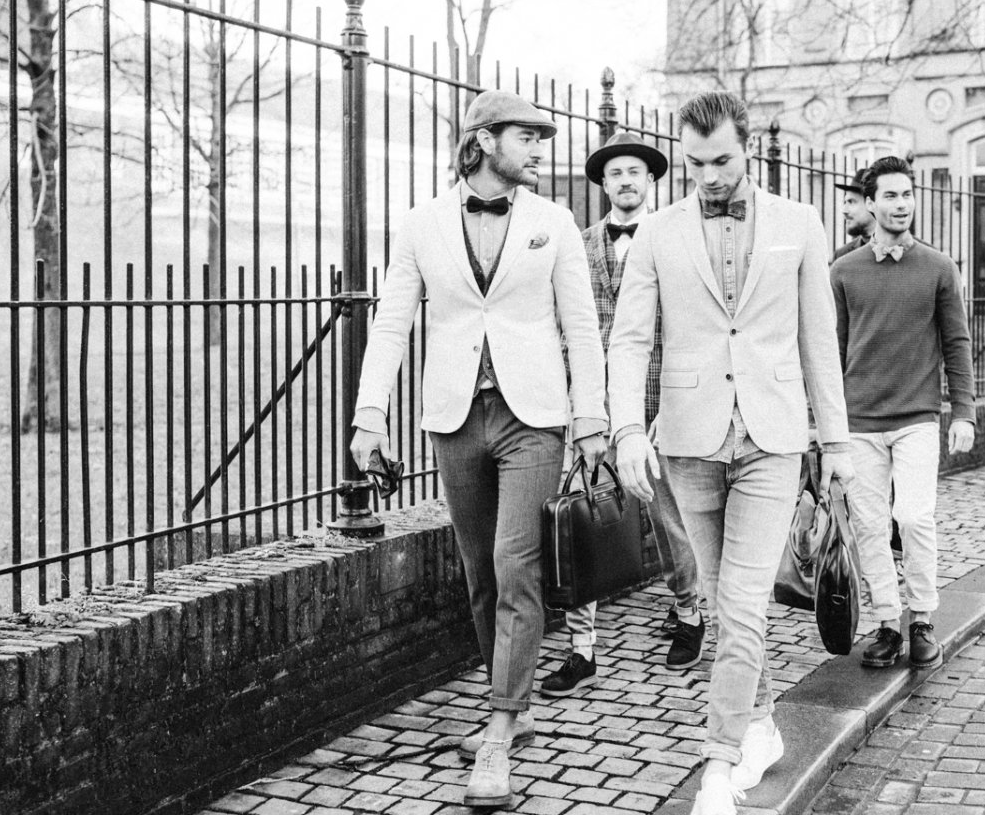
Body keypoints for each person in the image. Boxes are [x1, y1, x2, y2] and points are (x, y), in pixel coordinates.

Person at [348, 90, 607, 809]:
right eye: (527, 136)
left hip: (534, 418)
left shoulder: (555, 222)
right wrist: (370, 415)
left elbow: (582, 327)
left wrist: (591, 416)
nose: (539, 149)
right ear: (485, 140)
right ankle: (513, 707)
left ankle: (497, 730)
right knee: (480, 573)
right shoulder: (421, 224)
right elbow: (392, 322)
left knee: (516, 563)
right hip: (455, 416)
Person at [610, 91, 854, 815]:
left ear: (747, 146)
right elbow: (630, 339)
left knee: (744, 604)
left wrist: (836, 441)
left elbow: (819, 341)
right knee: (725, 606)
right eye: (695, 163)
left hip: (773, 439)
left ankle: (717, 769)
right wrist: (627, 429)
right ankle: (762, 727)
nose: (710, 176)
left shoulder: (798, 223)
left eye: (721, 160)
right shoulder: (657, 233)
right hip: (688, 441)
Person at [539, 130, 707, 697]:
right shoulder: (579, 243)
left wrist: (675, 402)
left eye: (635, 171)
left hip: (658, 403)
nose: (626, 181)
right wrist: (578, 402)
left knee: (668, 519)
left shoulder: (675, 239)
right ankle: (581, 648)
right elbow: (565, 324)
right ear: (604, 184)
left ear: (651, 179)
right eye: (615, 173)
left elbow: (689, 326)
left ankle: (688, 612)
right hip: (591, 407)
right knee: (579, 519)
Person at [829, 155, 976, 671]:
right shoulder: (842, 272)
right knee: (870, 526)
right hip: (859, 424)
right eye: (890, 195)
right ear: (870, 204)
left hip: (917, 418)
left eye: (907, 194)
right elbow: (831, 352)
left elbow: (957, 343)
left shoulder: (938, 268)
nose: (901, 204)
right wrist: (825, 427)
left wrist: (964, 412)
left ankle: (923, 620)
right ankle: (889, 624)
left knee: (913, 517)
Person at [831, 168, 874, 262]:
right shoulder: (841, 255)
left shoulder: (901, 251)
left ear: (871, 204)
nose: (844, 210)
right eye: (845, 202)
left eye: (851, 202)